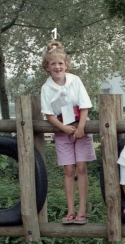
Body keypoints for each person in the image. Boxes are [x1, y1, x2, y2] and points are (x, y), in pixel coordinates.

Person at [40, 40, 94, 225]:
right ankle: (70, 209)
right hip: (62, 128)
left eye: (60, 63)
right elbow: (48, 113)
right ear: (47, 67)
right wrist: (62, 128)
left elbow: (85, 105)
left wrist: (80, 128)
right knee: (69, 169)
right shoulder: (46, 88)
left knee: (81, 167)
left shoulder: (75, 81)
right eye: (53, 64)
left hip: (80, 126)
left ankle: (82, 210)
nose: (57, 67)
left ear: (66, 65)